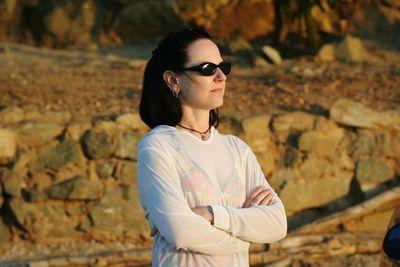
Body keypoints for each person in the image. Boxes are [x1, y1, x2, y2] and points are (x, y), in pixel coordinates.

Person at [137, 28, 287, 267]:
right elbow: (181, 233)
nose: (221, 77)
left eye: (223, 67)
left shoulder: (237, 149)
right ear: (173, 79)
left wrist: (211, 214)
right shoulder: (157, 147)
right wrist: (245, 236)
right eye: (207, 69)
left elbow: (278, 224)